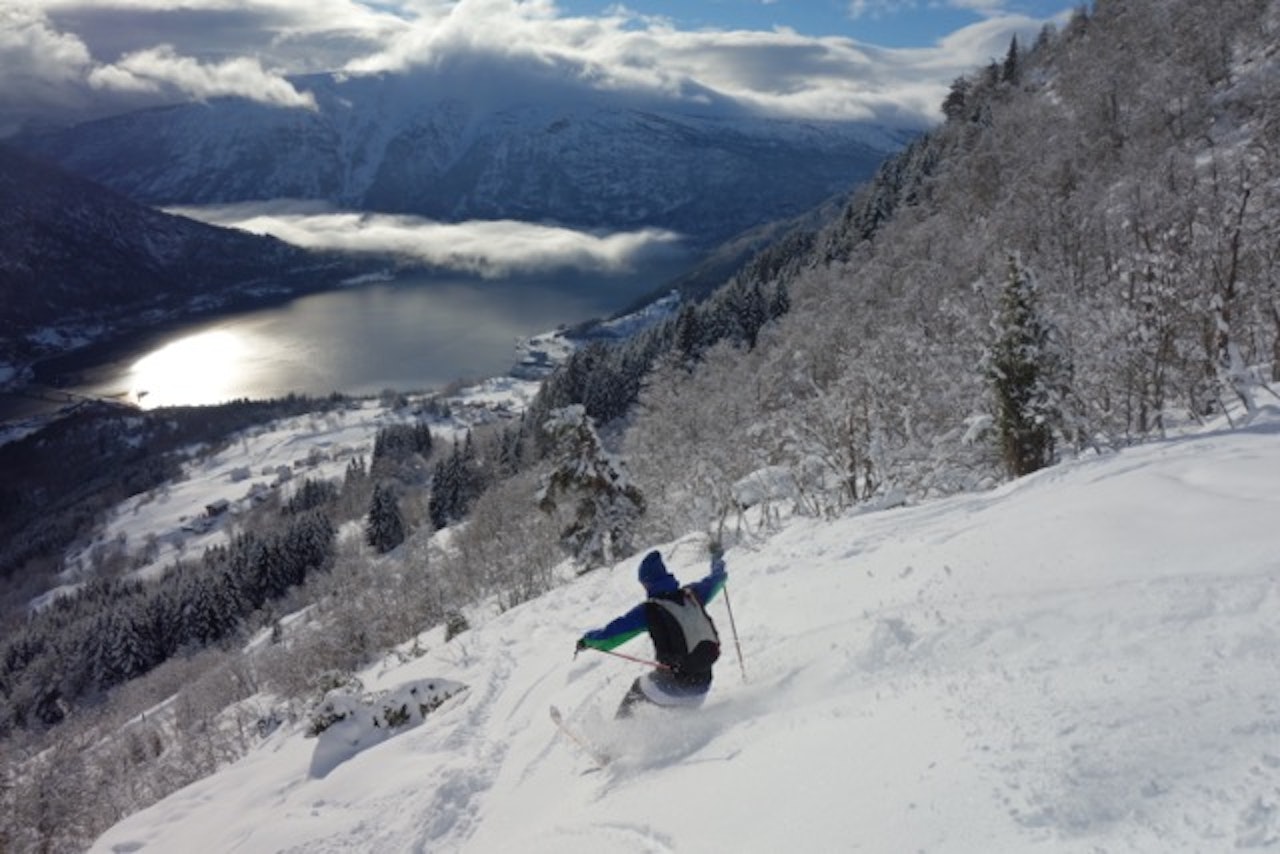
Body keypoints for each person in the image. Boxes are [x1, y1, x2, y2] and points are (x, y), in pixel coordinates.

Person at [576, 548, 727, 718]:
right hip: (702, 686)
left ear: (647, 583)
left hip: (675, 686)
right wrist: (716, 560)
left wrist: (586, 641)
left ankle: (617, 734)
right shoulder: (693, 594)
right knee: (662, 689)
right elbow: (718, 578)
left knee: (638, 688)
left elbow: (610, 635)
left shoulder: (650, 609)